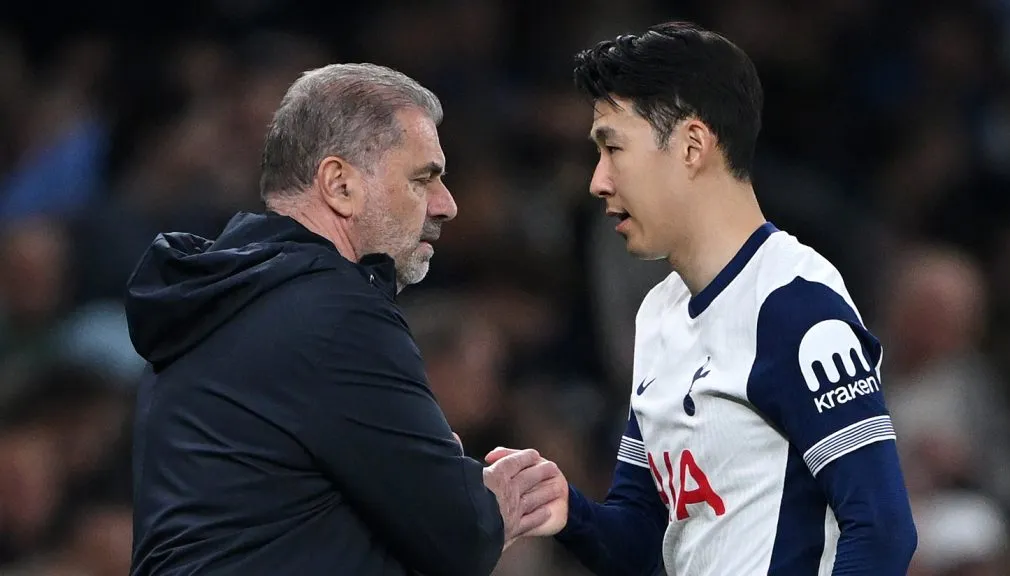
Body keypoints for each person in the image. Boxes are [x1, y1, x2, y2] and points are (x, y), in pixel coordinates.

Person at [487, 21, 918, 575]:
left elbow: (882, 530)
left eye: (612, 148)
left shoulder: (793, 305)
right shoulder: (657, 314)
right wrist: (570, 513)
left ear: (692, 146)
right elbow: (643, 536)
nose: (598, 180)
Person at [125, 63, 561, 576]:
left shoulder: (216, 302)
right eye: (423, 179)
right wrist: (496, 503)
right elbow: (458, 533)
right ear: (339, 184)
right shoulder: (336, 310)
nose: (447, 205)